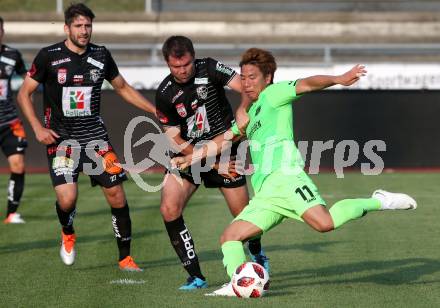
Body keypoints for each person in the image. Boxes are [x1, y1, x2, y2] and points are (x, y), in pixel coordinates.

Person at [171, 48, 417, 296]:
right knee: (229, 238)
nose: (245, 83)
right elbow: (223, 140)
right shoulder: (250, 114)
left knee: (325, 224)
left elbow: (308, 84)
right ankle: (237, 283)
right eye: (243, 77)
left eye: (252, 77)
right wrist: (190, 158)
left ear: (268, 78)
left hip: (286, 177)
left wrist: (338, 79)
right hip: (266, 192)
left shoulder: (275, 94)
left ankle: (379, 201)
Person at [17, 3, 156, 271]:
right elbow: (24, 93)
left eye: (88, 26)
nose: (84, 31)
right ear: (67, 28)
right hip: (62, 141)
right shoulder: (49, 56)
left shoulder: (101, 55)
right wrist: (37, 127)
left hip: (96, 140)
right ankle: (67, 231)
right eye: (79, 26)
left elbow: (123, 87)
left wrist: (154, 111)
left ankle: (125, 257)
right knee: (67, 200)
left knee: (116, 194)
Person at [155, 36, 268, 290]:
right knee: (169, 208)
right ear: (167, 63)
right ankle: (196, 275)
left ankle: (258, 255)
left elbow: (247, 87)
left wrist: (242, 110)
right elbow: (174, 137)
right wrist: (207, 163)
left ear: (194, 58)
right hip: (189, 153)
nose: (182, 71)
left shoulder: (210, 67)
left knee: (245, 217)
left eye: (186, 64)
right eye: (175, 66)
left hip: (225, 149)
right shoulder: (164, 93)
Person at [0, 17, 28, 224]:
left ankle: (11, 213)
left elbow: (28, 79)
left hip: (9, 122)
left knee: (18, 165)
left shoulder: (12, 55)